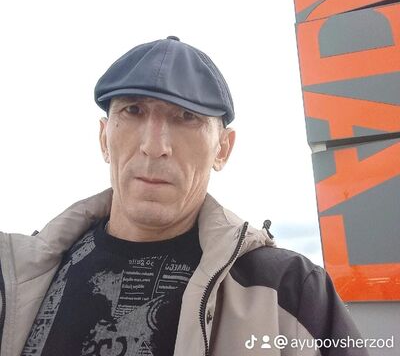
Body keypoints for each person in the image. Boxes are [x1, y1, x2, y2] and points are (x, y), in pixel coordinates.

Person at [0, 36, 368, 356]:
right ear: (103, 139)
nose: (154, 146)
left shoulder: (288, 292)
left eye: (187, 117)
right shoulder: (17, 277)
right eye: (133, 110)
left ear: (223, 149)